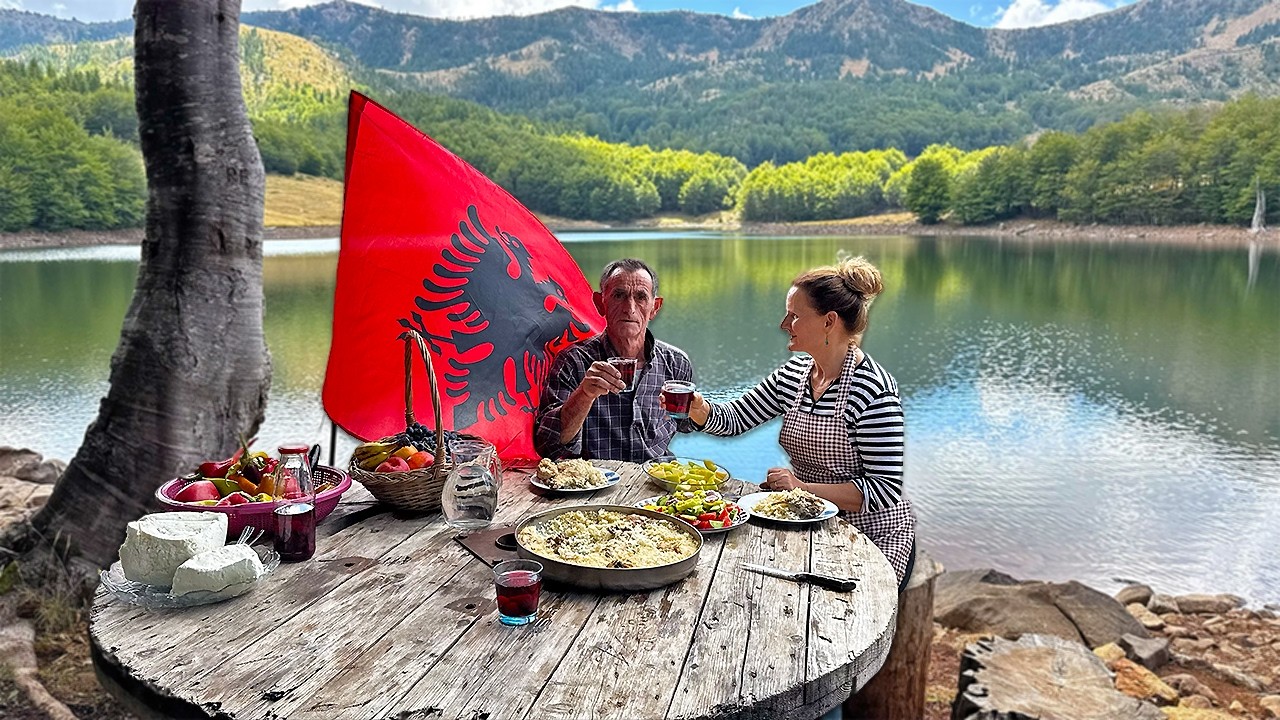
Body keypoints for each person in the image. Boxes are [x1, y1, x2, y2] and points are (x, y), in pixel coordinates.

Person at [686, 256, 916, 591]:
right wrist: (699, 408)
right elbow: (735, 419)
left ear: (829, 321)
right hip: (811, 523)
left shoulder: (872, 390)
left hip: (872, 539)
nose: (784, 323)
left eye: (794, 315)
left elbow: (883, 491)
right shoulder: (793, 375)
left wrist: (800, 487)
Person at [534, 258, 697, 462]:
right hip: (596, 486)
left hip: (656, 481)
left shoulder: (676, 363)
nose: (629, 308)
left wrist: (699, 409)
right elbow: (548, 446)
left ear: (655, 307)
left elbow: (687, 423)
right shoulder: (574, 361)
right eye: (619, 295)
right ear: (600, 303)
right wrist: (585, 394)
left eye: (640, 297)